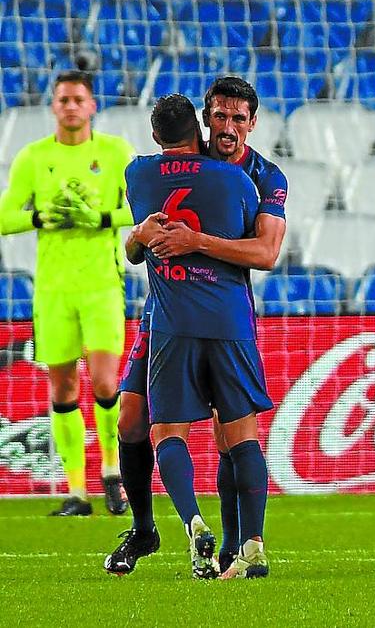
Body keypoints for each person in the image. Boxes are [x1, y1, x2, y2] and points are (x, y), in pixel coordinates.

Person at [105, 77, 287, 576]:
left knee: (229, 437)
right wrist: (138, 237)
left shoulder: (266, 177)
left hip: (222, 311)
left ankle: (232, 546)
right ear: (206, 119)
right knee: (129, 418)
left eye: (238, 119)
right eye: (220, 117)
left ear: (253, 122)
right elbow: (135, 246)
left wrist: (196, 242)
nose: (228, 127)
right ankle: (145, 529)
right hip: (160, 312)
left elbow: (266, 253)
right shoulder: (184, 161)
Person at [0, 70, 134, 516]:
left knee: (104, 381)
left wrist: (100, 217)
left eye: (78, 99)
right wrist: (39, 218)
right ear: (53, 106)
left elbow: (142, 208)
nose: (71, 106)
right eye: (63, 100)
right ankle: (76, 491)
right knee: (61, 387)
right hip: (53, 291)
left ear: (93, 105)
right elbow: (4, 218)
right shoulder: (33, 158)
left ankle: (112, 471)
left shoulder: (115, 153)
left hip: (101, 286)